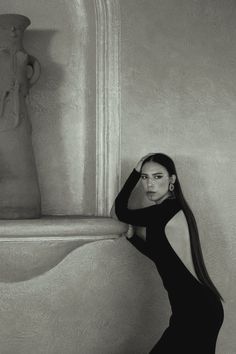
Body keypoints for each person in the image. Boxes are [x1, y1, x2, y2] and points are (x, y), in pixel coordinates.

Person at [112, 153, 224, 354]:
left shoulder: (166, 211)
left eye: (157, 177)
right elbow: (162, 258)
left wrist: (136, 172)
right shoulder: (168, 211)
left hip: (196, 313)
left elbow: (120, 212)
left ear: (172, 180)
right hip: (195, 311)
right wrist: (133, 238)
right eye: (145, 177)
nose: (149, 184)